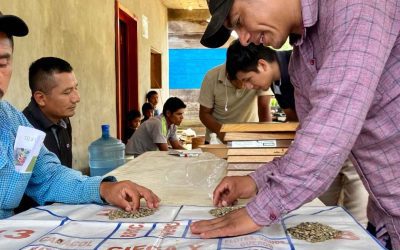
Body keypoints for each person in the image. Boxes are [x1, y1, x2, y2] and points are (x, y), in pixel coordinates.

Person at [191, 0, 400, 249]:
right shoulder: (301, 61)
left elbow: (330, 130)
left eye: (238, 22)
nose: (244, 40)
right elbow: (307, 142)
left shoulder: (355, 6)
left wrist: (259, 211)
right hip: (385, 210)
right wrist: (256, 180)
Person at [0, 12, 160, 219]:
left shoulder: (12, 122)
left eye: (2, 64)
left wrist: (103, 189)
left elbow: (47, 177)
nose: (76, 98)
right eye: (67, 92)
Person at [225, 41, 369, 226]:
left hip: (349, 144)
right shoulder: (277, 81)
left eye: (247, 79)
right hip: (319, 150)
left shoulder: (300, 66)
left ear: (262, 65)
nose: (248, 87)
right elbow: (296, 119)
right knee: (321, 212)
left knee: (355, 216)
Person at [23, 57, 79, 169]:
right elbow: (22, 183)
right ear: (41, 98)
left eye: (76, 88)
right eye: (67, 92)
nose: (76, 98)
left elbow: (65, 171)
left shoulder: (63, 120)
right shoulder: (26, 133)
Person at [198, 60, 272, 143]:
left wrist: (266, 138)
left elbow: (264, 107)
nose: (247, 85)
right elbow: (204, 114)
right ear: (229, 77)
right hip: (216, 140)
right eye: (242, 80)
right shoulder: (212, 76)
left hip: (250, 138)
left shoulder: (258, 73)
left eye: (248, 79)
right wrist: (221, 132)